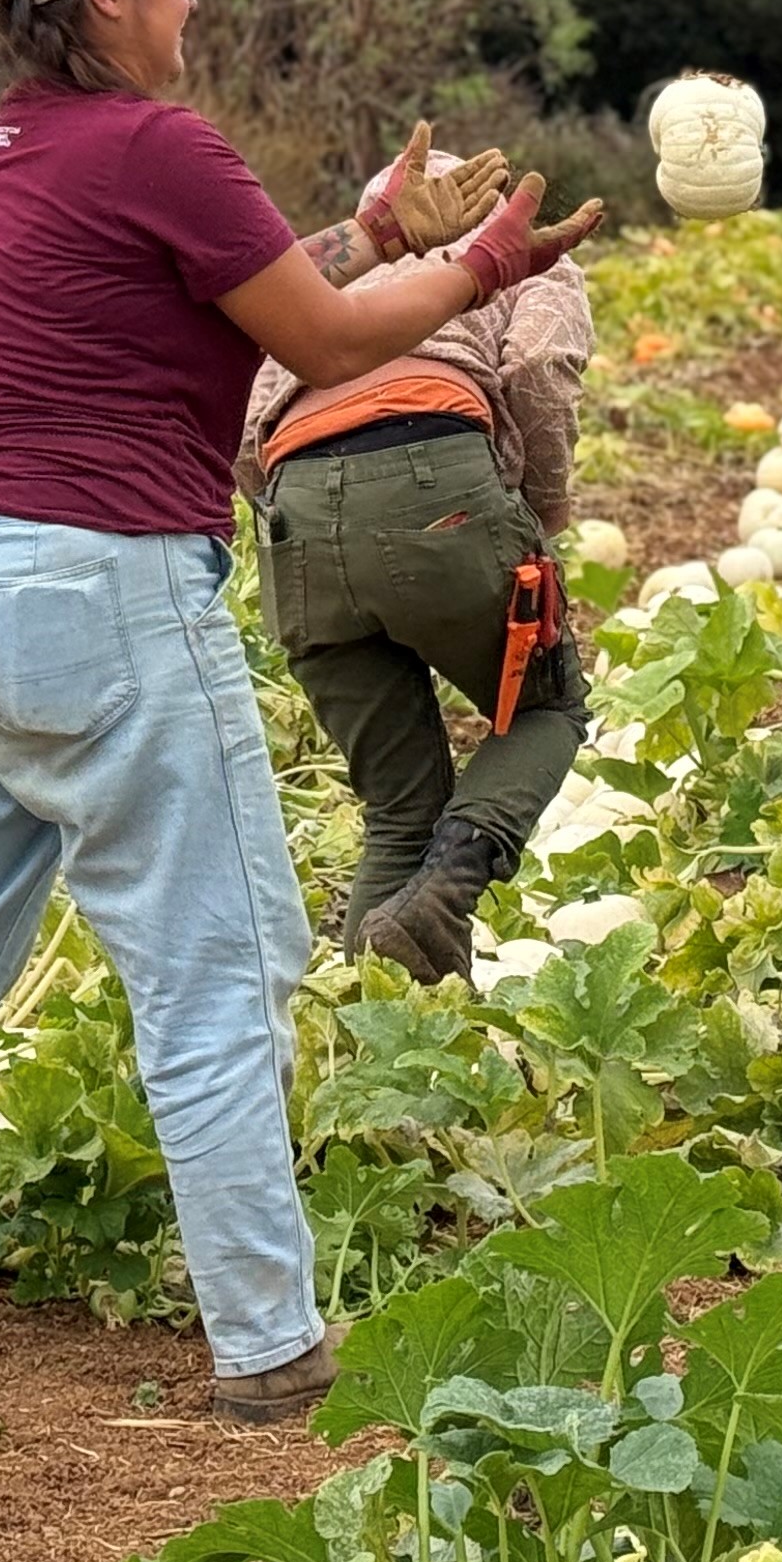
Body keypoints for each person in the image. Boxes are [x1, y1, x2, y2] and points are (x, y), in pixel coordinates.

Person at [0, 0, 602, 1418]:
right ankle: (271, 1352)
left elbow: (239, 302)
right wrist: (476, 271)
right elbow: (313, 344)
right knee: (224, 965)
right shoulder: (162, 143)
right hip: (94, 594)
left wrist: (382, 225)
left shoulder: (8, 147)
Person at [237, 185, 595, 982]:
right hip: (437, 475)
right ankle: (449, 886)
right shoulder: (523, 260)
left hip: (291, 513)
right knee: (549, 708)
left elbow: (246, 407)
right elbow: (537, 360)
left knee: (399, 809)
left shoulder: (331, 275)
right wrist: (539, 511)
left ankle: (385, 1052)